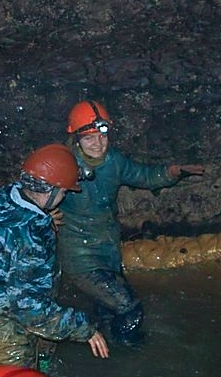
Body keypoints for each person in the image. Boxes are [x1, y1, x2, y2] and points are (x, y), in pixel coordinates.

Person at [58, 100, 206, 345]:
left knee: (108, 310)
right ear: (76, 139)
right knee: (129, 308)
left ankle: (107, 355)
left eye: (102, 136)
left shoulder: (113, 161)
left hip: (107, 251)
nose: (98, 144)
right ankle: (131, 353)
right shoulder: (64, 164)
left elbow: (143, 175)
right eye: (89, 138)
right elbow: (36, 192)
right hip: (79, 256)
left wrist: (171, 172)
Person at [0, 144, 110, 370]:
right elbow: (28, 308)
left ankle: (43, 372)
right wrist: (83, 328)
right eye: (63, 192)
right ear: (49, 190)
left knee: (43, 349)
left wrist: (44, 219)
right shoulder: (29, 240)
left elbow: (9, 233)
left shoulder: (5, 197)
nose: (65, 196)